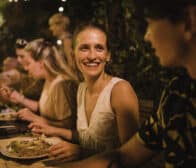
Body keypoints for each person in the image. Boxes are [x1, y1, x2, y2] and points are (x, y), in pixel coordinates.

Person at [55, 0, 196, 167]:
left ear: (188, 22)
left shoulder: (120, 89)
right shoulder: (176, 93)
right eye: (84, 48)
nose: (147, 37)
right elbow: (126, 156)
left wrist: (79, 152)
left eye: (150, 24)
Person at [29, 22, 139, 162]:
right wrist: (54, 130)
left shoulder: (120, 90)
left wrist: (82, 153)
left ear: (108, 55)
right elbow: (86, 138)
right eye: (84, 48)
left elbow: (133, 157)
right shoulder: (81, 88)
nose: (92, 56)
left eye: (99, 48)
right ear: (73, 55)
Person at [1, 38, 79, 128]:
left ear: (42, 63)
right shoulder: (48, 80)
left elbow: (69, 125)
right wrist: (18, 98)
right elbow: (44, 108)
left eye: (28, 63)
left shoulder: (61, 84)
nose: (26, 68)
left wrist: (35, 118)